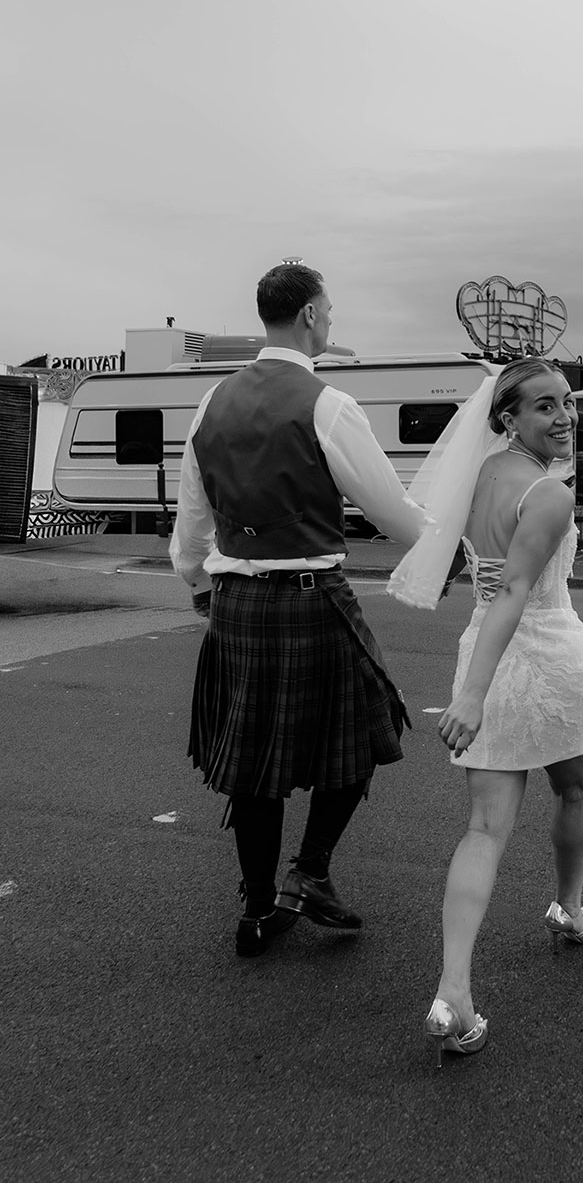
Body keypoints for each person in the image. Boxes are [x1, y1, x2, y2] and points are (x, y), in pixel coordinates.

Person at [170, 264, 428, 957]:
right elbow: (392, 511)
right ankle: (308, 872)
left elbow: (191, 521)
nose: (331, 321)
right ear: (310, 315)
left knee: (254, 761)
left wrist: (197, 581)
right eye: (330, 311)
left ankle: (256, 912)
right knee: (368, 729)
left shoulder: (208, 404)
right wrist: (452, 545)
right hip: (313, 598)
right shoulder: (329, 404)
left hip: (237, 605)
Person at [389, 359, 583, 1066]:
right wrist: (472, 696)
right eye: (545, 406)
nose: (565, 416)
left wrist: (473, 683)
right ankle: (569, 908)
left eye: (569, 402)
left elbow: (485, 578)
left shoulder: (481, 476)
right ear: (508, 418)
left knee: (484, 828)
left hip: (480, 646)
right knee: (576, 787)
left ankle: (453, 988)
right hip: (545, 657)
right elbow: (517, 590)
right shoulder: (546, 492)